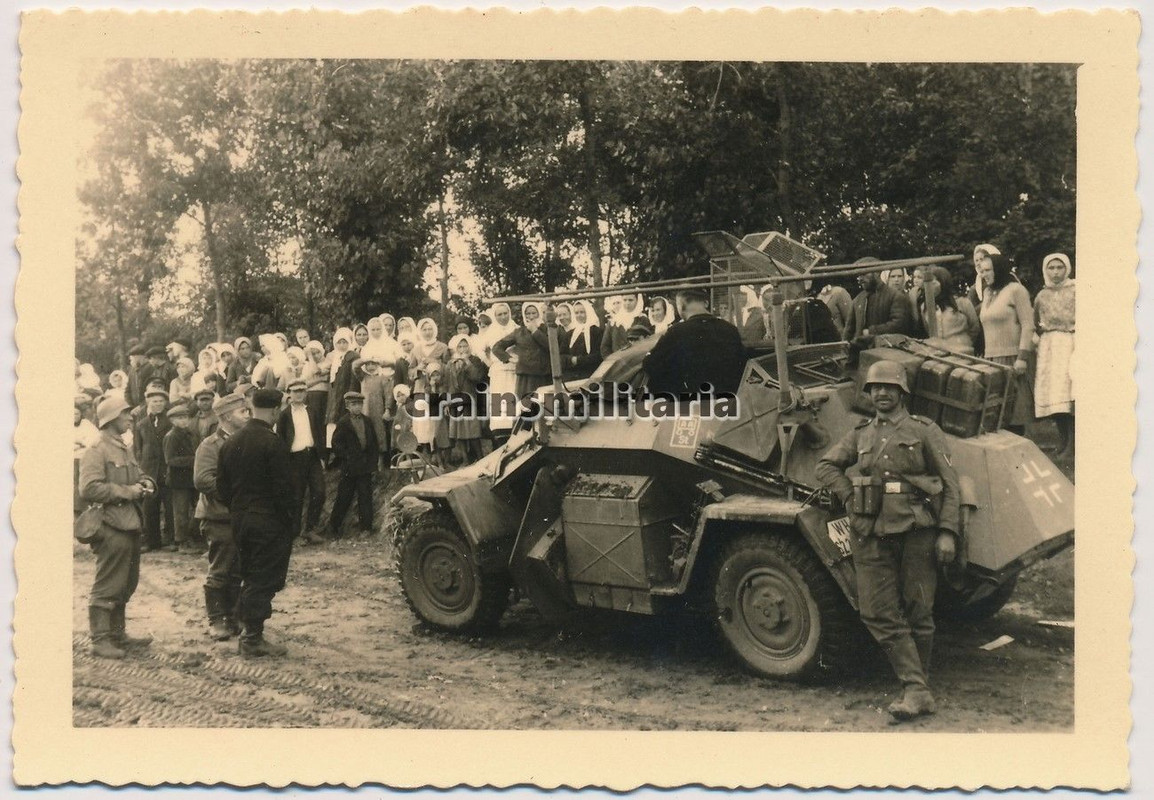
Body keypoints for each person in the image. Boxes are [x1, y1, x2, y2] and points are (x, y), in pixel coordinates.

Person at [815, 360, 960, 722]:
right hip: (870, 533)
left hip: (916, 533)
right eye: (874, 388)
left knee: (919, 610)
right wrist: (849, 495)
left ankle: (915, 687)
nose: (881, 393)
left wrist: (947, 531)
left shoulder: (924, 430)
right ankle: (917, 687)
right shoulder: (860, 433)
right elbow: (826, 466)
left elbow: (951, 484)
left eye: (888, 387)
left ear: (902, 392)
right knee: (876, 611)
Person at [216, 388, 297, 658]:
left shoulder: (231, 441)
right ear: (275, 411)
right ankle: (252, 639)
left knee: (249, 574)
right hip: (268, 523)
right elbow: (286, 490)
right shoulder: (273, 443)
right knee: (264, 579)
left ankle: (247, 631)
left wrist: (240, 511)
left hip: (240, 520)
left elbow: (222, 488)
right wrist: (289, 525)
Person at [78, 396, 157, 658]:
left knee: (127, 582)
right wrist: (129, 492)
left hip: (130, 523)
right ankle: (100, 639)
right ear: (110, 418)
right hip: (111, 524)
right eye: (125, 414)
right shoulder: (96, 449)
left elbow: (136, 475)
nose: (130, 418)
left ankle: (117, 634)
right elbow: (88, 488)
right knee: (108, 583)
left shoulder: (123, 446)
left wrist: (145, 483)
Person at [194, 393, 249, 641]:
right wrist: (237, 494)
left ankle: (233, 615)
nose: (248, 415)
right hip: (218, 516)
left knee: (238, 568)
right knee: (220, 569)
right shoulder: (210, 445)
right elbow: (203, 480)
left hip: (241, 516)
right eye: (242, 411)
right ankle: (216, 619)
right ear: (226, 416)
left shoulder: (247, 441)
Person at [642, 287, 746, 396]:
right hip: (728, 401)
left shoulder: (677, 332)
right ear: (706, 303)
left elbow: (650, 364)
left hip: (691, 404)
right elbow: (741, 365)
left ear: (681, 306)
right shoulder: (730, 329)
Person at [977, 252, 1034, 433]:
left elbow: (1028, 325)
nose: (984, 274)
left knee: (1015, 411)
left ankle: (1019, 453)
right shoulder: (987, 292)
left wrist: (1022, 357)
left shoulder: (1016, 290)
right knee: (995, 411)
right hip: (991, 359)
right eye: (981, 271)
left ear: (999, 269)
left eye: (988, 270)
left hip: (1012, 357)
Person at [1033, 253, 1076, 457]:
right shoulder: (1042, 295)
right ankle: (1062, 440)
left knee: (1068, 393)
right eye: (1052, 268)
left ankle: (1073, 443)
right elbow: (1036, 321)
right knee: (1054, 394)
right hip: (1049, 347)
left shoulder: (1076, 291)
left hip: (1071, 344)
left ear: (1067, 268)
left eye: (1060, 267)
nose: (1056, 272)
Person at [278, 378, 329, 546]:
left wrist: (322, 457)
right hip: (294, 459)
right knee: (296, 497)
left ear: (306, 393)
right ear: (289, 394)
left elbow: (319, 434)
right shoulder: (284, 415)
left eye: (302, 391)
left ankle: (310, 529)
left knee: (319, 492)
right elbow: (281, 439)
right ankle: (295, 534)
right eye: (295, 391)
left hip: (312, 456)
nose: (299, 394)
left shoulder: (312, 411)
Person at [327, 391, 378, 538]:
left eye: (360, 404)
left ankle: (366, 528)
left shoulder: (367, 421)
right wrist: (347, 457)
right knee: (344, 496)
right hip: (350, 467)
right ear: (348, 406)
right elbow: (336, 444)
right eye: (354, 404)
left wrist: (372, 462)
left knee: (365, 496)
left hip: (365, 466)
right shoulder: (343, 423)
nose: (357, 407)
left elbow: (373, 443)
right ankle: (334, 526)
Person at [134, 386, 174, 552]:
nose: (157, 404)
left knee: (170, 505)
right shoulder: (141, 424)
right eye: (154, 401)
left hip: (167, 469)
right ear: (148, 402)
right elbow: (137, 449)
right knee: (150, 506)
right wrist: (141, 470)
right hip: (149, 470)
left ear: (165, 403)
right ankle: (152, 541)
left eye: (160, 401)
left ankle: (171, 539)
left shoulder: (170, 422)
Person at [162, 403, 203, 554]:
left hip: (191, 477)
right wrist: (194, 460)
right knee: (181, 511)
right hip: (178, 480)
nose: (184, 421)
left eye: (185, 417)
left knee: (196, 509)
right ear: (172, 421)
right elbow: (170, 460)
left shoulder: (191, 433)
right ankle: (181, 542)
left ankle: (191, 537)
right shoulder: (171, 436)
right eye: (180, 418)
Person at [842, 258, 913, 342]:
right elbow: (849, 331)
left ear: (877, 273)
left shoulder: (896, 296)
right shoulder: (857, 300)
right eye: (859, 276)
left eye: (864, 274)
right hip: (860, 352)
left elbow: (899, 324)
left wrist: (871, 331)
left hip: (886, 351)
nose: (860, 279)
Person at [914, 266, 980, 354]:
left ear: (943, 282)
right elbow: (928, 329)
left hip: (963, 353)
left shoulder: (962, 302)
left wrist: (964, 343)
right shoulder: (925, 307)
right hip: (939, 355)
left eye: (933, 281)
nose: (929, 285)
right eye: (927, 282)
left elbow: (975, 327)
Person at [491, 302, 551, 399]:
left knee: (544, 407)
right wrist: (509, 358)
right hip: (525, 378)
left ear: (539, 313)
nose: (531, 317)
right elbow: (497, 347)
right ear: (524, 314)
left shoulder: (546, 329)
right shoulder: (519, 332)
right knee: (525, 408)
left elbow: (550, 346)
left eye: (534, 313)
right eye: (528, 313)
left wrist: (535, 331)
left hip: (543, 376)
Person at [445, 334, 487, 465]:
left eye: (465, 345)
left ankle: (480, 458)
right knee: (459, 432)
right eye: (460, 346)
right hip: (456, 399)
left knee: (473, 430)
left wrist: (467, 363)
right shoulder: (450, 363)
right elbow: (448, 384)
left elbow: (477, 377)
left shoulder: (475, 360)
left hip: (471, 398)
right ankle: (465, 459)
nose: (463, 349)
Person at [483, 303, 520, 445]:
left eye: (505, 313)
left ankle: (514, 431)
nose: (503, 317)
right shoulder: (490, 331)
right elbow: (480, 350)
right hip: (498, 371)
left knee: (513, 399)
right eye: (499, 314)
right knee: (500, 402)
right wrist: (490, 362)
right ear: (495, 316)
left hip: (514, 369)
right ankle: (500, 435)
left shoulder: (516, 328)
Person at [563, 299, 603, 381]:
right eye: (576, 313)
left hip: (591, 373)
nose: (579, 315)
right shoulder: (569, 334)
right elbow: (562, 354)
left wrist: (579, 360)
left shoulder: (597, 332)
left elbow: (598, 355)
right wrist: (571, 359)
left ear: (588, 312)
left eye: (582, 312)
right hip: (571, 375)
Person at [126, 343, 148, 407]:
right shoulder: (132, 371)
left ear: (140, 357)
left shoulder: (150, 368)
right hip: (135, 408)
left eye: (132, 359)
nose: (131, 362)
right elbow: (127, 390)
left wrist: (142, 406)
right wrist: (131, 405)